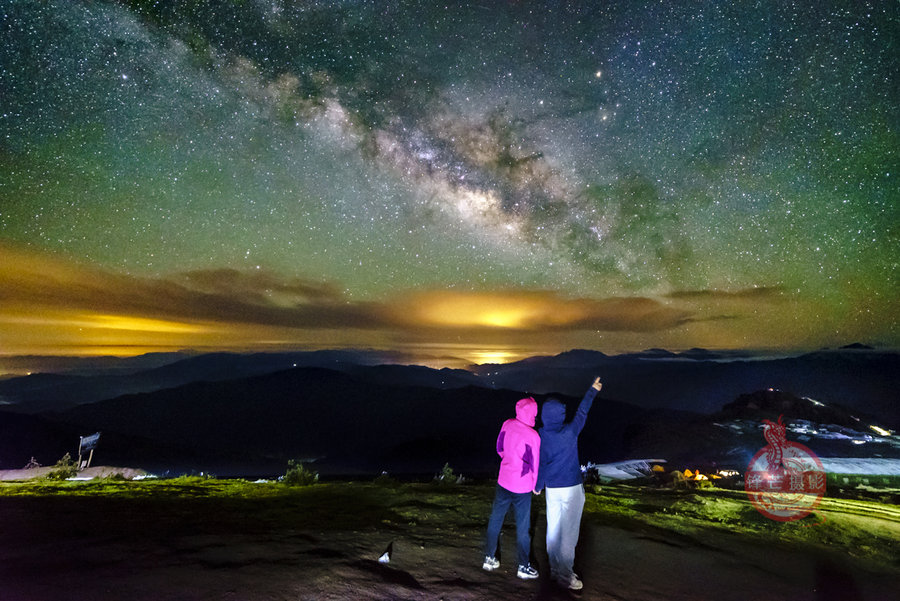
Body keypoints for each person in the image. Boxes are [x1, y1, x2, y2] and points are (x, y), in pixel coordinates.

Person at [535, 376, 602, 591]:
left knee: (553, 530)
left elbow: (542, 463)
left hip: (552, 489)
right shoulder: (570, 432)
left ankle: (555, 571)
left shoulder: (541, 435)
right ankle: (565, 575)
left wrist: (538, 484)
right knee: (569, 533)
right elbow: (582, 412)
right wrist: (592, 390)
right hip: (571, 488)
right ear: (561, 415)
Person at [482, 396, 541, 580]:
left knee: (495, 519)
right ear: (533, 413)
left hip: (503, 480)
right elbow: (535, 464)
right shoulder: (533, 436)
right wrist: (535, 485)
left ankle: (489, 558)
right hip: (522, 487)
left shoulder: (507, 423)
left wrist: (508, 462)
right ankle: (523, 567)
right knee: (523, 528)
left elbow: (499, 448)